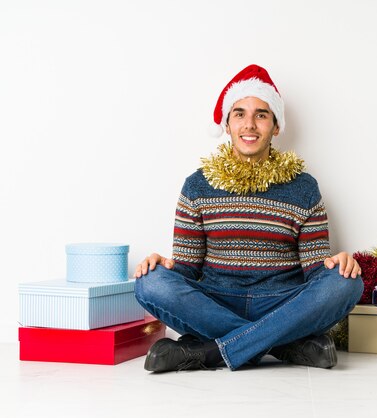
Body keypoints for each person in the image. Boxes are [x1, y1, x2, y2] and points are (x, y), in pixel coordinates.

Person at [134, 64, 364, 372]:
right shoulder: (197, 185)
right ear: (227, 125)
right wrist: (162, 266)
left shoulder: (304, 187)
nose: (250, 125)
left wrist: (338, 266)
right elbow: (187, 269)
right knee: (149, 282)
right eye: (239, 114)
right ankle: (284, 344)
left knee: (345, 283)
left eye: (261, 114)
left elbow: (314, 270)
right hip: (217, 299)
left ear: (276, 126)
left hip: (282, 299)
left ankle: (209, 352)